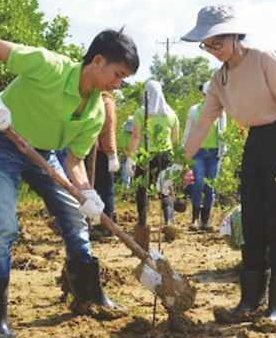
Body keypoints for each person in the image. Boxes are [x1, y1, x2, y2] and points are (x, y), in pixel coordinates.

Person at [0, 30, 139, 338]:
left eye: (124, 79)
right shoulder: (49, 66)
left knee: (75, 220)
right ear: (98, 60)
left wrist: (88, 193)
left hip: (45, 153)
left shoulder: (96, 111)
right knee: (3, 227)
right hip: (2, 140)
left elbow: (75, 160)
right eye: (118, 74)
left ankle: (89, 297)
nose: (118, 84)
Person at [182, 4, 276, 323]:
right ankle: (250, 299)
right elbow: (202, 125)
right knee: (250, 222)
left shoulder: (265, 59)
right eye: (207, 46)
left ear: (235, 35)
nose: (212, 51)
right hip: (256, 142)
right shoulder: (218, 79)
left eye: (217, 44)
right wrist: (179, 164)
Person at [127, 80, 180, 226]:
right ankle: (169, 220)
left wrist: (130, 157)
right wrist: (177, 161)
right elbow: (175, 140)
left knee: (142, 188)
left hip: (145, 155)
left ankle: (142, 222)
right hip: (166, 155)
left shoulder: (140, 113)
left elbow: (136, 137)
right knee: (165, 187)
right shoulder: (171, 114)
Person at [182, 81, 227, 229]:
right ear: (204, 95)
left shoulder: (221, 112)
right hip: (198, 152)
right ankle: (195, 219)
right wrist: (183, 150)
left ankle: (205, 221)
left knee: (210, 186)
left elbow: (223, 132)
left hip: (215, 153)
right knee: (199, 182)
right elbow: (188, 131)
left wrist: (224, 151)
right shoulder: (195, 110)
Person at [90, 91, 120, 235]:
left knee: (90, 188)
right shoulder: (106, 101)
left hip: (85, 149)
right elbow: (108, 128)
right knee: (107, 191)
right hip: (101, 152)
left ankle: (92, 223)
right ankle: (108, 227)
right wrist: (112, 153)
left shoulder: (89, 97)